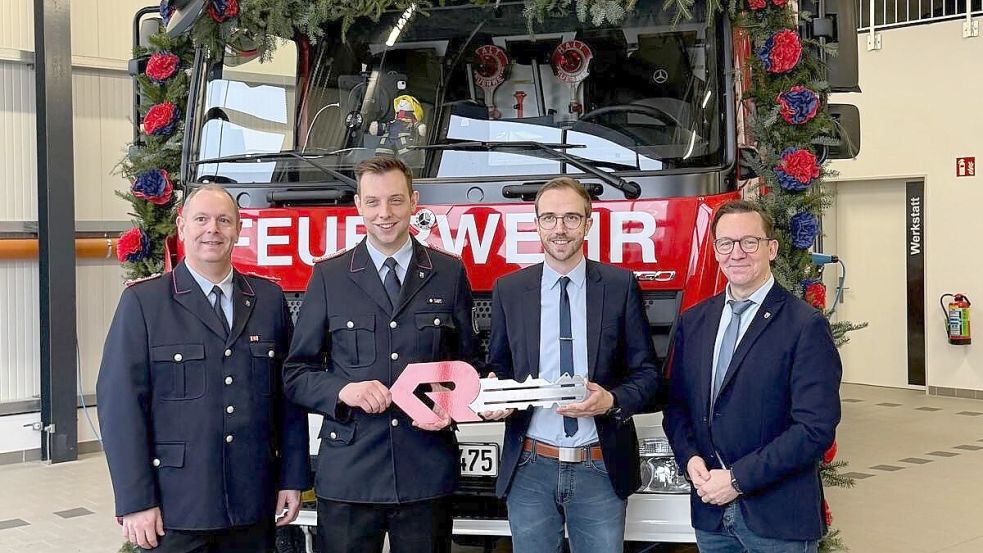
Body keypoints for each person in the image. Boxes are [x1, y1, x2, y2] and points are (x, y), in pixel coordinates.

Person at [97, 185, 310, 552]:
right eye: (201, 219)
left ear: (238, 230)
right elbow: (120, 408)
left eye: (224, 220)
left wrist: (292, 478)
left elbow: (288, 400)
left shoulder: (267, 299)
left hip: (251, 503)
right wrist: (136, 501)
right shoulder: (144, 303)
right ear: (182, 227)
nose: (213, 229)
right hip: (175, 508)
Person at [283, 155, 478, 553]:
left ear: (414, 202)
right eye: (372, 202)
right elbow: (297, 373)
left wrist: (449, 404)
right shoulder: (329, 276)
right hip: (350, 475)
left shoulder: (448, 273)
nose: (384, 213)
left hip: (425, 471)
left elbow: (470, 366)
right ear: (358, 205)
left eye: (395, 200)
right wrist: (343, 391)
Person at [482, 176, 661, 553]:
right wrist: (495, 396)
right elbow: (498, 367)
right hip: (530, 465)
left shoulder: (619, 286)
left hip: (599, 463)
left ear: (588, 223)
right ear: (536, 224)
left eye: (571, 218)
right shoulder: (509, 290)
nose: (559, 229)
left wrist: (611, 400)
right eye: (549, 218)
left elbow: (647, 374)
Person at [662, 199, 842, 553]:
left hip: (777, 521)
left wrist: (737, 480)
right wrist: (690, 458)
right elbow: (677, 406)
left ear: (771, 248)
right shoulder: (694, 321)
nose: (737, 253)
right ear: (715, 251)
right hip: (711, 517)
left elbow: (815, 428)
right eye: (726, 243)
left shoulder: (805, 325)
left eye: (749, 241)